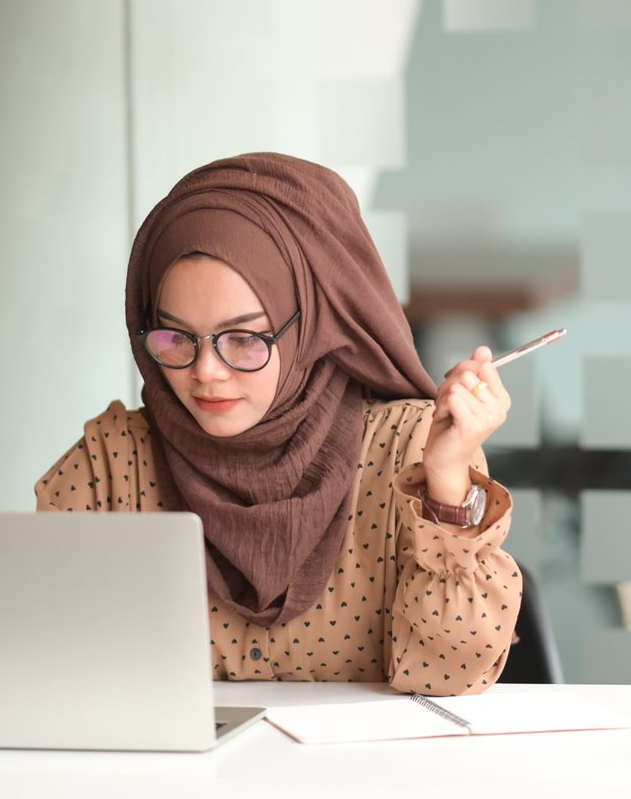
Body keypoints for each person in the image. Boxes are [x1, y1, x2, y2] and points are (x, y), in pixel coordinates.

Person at [34, 152, 522, 696]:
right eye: (175, 339)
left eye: (243, 339)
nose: (206, 373)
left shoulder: (412, 450)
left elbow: (448, 673)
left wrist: (448, 485)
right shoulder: (111, 466)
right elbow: (44, 672)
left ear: (311, 326)